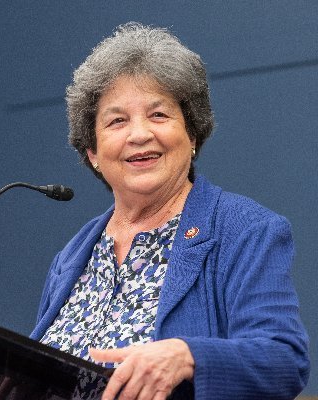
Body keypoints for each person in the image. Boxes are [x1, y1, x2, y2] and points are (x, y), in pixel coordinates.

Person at [30, 23, 310, 400]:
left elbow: (284, 360)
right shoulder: (72, 256)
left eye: (159, 115)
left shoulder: (245, 230)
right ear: (93, 153)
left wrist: (188, 356)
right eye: (117, 121)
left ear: (192, 134)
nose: (139, 134)